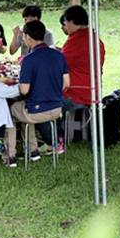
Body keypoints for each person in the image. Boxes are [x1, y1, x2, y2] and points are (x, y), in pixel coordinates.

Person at [12, 20, 69, 160]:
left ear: (27, 37)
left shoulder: (29, 60)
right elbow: (66, 83)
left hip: (37, 110)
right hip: (57, 108)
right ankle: (33, 150)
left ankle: (21, 151)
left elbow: (24, 90)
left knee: (11, 110)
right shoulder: (59, 55)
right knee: (23, 110)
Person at [60, 5, 107, 108]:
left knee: (43, 100)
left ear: (72, 21)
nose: (65, 26)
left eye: (65, 23)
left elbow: (60, 62)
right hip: (93, 90)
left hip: (77, 93)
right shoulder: (94, 38)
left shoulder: (77, 39)